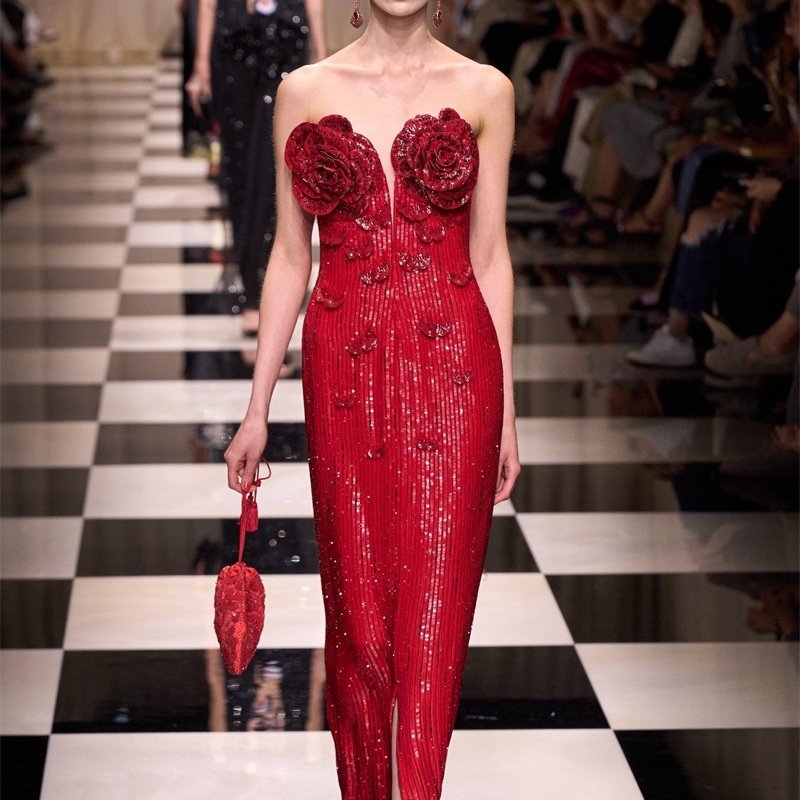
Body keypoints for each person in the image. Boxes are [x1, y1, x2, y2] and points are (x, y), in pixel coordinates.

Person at [223, 0, 520, 796]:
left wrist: (508, 414)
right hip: (343, 377)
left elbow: (491, 256)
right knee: (357, 623)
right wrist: (256, 408)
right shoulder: (304, 89)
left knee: (434, 622)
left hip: (458, 375)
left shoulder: (486, 89)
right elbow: (291, 257)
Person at [186, 0, 326, 334]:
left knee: (279, 172)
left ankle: (272, 284)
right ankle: (252, 287)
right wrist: (201, 64)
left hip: (286, 46)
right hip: (235, 49)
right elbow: (208, 5)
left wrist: (321, 59)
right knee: (241, 175)